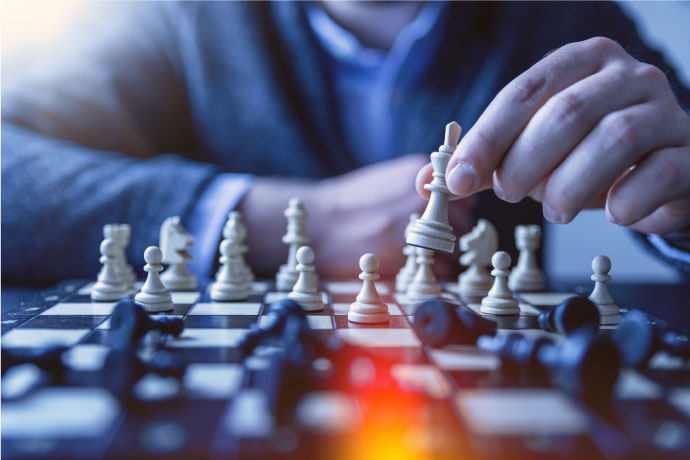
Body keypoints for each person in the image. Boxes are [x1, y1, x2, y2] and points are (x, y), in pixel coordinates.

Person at [2, 1, 689, 284]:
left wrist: (684, 210)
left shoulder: (562, 17)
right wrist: (280, 221)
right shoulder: (170, 19)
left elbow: (672, 150)